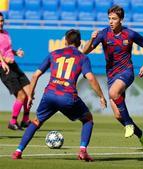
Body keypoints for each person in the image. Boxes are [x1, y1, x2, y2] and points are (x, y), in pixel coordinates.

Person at [11, 29, 107, 161]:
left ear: (65, 41)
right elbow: (90, 78)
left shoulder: (54, 54)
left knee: (36, 121)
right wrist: (101, 96)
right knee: (88, 119)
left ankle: (18, 151)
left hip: (50, 95)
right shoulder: (82, 58)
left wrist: (30, 96)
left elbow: (35, 75)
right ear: (79, 43)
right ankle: (83, 151)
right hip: (68, 97)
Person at [83, 5, 143, 150]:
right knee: (118, 115)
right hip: (112, 76)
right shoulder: (103, 34)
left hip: (126, 72)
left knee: (113, 93)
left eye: (114, 19)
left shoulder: (130, 34)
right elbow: (85, 51)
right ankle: (141, 134)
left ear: (121, 19)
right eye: (109, 19)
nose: (110, 21)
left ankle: (128, 125)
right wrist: (91, 39)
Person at [0, 12, 31, 130]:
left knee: (30, 92)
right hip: (4, 68)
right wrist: (3, 62)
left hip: (13, 65)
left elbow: (6, 50)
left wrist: (15, 53)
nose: (1, 23)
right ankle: (12, 122)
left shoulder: (6, 33)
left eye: (2, 21)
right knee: (21, 95)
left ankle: (25, 120)